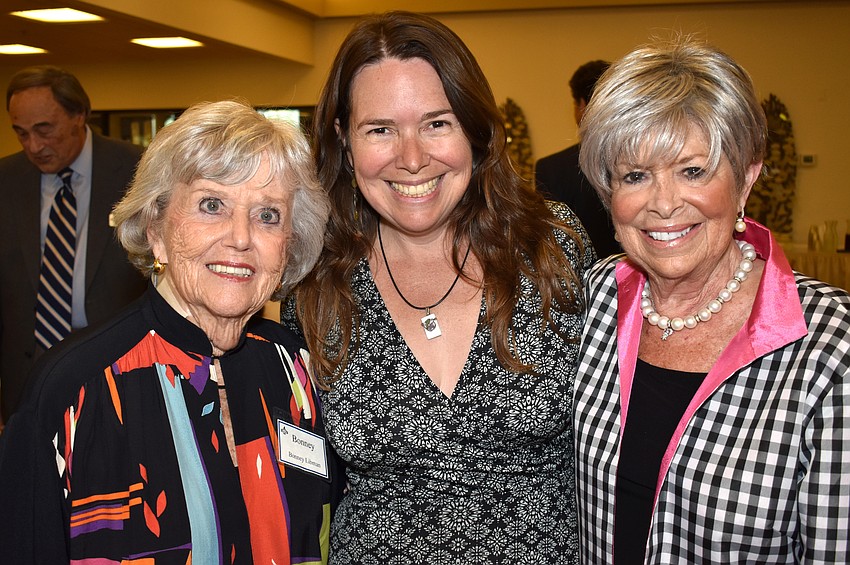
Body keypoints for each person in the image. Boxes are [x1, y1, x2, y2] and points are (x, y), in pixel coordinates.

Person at [283, 11, 594, 564]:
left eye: (436, 123)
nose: (411, 158)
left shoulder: (553, 253)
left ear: (475, 129)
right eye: (380, 129)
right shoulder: (315, 284)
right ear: (344, 142)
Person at [0, 99, 340, 563]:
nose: (241, 238)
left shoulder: (294, 368)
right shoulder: (74, 388)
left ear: (289, 244)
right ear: (155, 226)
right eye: (211, 204)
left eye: (267, 215)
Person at [574, 37, 850, 563]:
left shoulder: (831, 350)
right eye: (635, 176)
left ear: (746, 178)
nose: (663, 202)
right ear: (609, 195)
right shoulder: (595, 302)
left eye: (693, 170)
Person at [0, 65, 146, 427]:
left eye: (44, 130)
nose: (34, 146)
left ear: (80, 115)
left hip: (117, 364)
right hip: (27, 374)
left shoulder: (137, 170)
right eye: (21, 133)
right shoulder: (6, 180)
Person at [535, 59, 621, 259]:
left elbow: (550, 242)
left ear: (581, 105)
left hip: (579, 283)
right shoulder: (637, 161)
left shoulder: (552, 168)